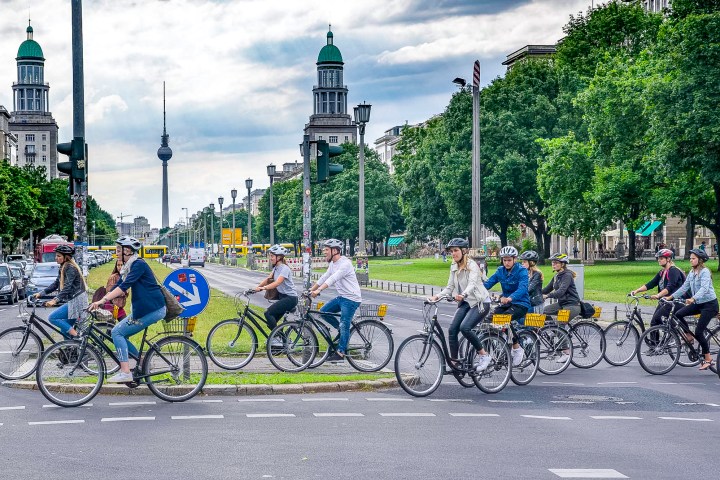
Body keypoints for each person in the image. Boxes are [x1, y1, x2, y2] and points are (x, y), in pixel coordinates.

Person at [89, 236, 166, 383]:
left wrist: (102, 300)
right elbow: (118, 285)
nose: (116, 253)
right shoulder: (129, 266)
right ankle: (141, 361)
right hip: (145, 309)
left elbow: (123, 287)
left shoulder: (138, 265)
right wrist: (101, 301)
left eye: (119, 250)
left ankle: (125, 372)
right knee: (119, 333)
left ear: (128, 251)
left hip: (152, 310)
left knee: (116, 332)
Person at [430, 238, 491, 372]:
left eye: (456, 250)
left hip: (480, 302)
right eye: (451, 251)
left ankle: (484, 355)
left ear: (464, 251)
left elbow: (472, 284)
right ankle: (455, 363)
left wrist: (463, 294)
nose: (453, 253)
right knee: (452, 330)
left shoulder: (472, 265)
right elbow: (450, 287)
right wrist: (437, 296)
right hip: (466, 302)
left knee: (465, 327)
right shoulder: (454, 266)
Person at [666, 248, 719, 370]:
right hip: (699, 303)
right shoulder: (692, 272)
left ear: (699, 260)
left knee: (699, 332)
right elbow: (684, 287)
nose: (691, 260)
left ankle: (708, 359)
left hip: (709, 305)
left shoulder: (704, 272)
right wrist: (670, 297)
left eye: (693, 258)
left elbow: (705, 289)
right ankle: (688, 335)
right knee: (678, 314)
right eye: (690, 258)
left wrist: (693, 299)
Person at [309, 239, 362, 362]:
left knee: (344, 323)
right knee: (323, 311)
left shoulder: (345, 264)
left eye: (327, 249)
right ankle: (342, 332)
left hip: (351, 299)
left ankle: (340, 353)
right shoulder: (332, 264)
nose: (324, 252)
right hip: (342, 297)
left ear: (335, 251)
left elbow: (333, 278)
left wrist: (319, 291)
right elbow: (325, 277)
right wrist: (311, 289)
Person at [483, 246, 531, 366]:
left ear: (515, 259)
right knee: (488, 319)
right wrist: (475, 291)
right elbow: (488, 283)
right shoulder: (500, 271)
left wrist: (510, 298)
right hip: (506, 303)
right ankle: (498, 346)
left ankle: (517, 347)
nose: (507, 263)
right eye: (504, 260)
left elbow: (523, 288)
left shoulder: (522, 270)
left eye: (509, 260)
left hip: (521, 304)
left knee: (504, 319)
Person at [31, 245, 88, 339]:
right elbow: (56, 284)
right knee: (64, 331)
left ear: (66, 257)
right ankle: (70, 351)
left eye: (59, 256)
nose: (56, 258)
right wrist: (41, 293)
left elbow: (67, 288)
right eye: (56, 255)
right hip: (73, 301)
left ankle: (79, 337)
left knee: (53, 318)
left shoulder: (70, 268)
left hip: (77, 301)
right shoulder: (63, 267)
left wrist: (55, 300)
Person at [630, 248, 686, 338]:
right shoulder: (662, 272)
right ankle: (662, 340)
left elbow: (670, 287)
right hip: (665, 301)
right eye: (658, 258)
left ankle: (661, 342)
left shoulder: (673, 271)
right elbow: (651, 284)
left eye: (661, 258)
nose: (659, 260)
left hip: (674, 301)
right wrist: (636, 290)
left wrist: (658, 295)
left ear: (668, 259)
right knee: (655, 322)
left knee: (655, 321)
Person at [254, 244, 298, 345]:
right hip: (283, 297)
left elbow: (277, 282)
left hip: (290, 298)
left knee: (268, 313)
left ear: (279, 257)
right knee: (271, 323)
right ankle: (283, 341)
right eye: (270, 256)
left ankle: (279, 339)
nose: (270, 258)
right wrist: (256, 288)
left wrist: (263, 288)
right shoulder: (276, 268)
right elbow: (268, 279)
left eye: (272, 256)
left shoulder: (284, 268)